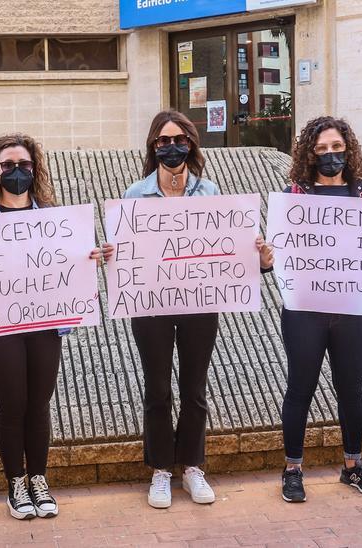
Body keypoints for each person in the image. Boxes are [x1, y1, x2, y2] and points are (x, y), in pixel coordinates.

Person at [0, 134, 109, 520]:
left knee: (39, 404)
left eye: (23, 165)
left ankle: (39, 480)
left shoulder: (54, 218)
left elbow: (73, 261)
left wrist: (89, 256)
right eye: (7, 165)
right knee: (12, 405)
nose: (16, 172)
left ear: (35, 169)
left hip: (46, 325)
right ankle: (16, 483)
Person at [118, 111, 272, 509]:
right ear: (154, 147)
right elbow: (130, 249)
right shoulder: (136, 193)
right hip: (151, 304)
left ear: (191, 144)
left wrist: (253, 251)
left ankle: (192, 466)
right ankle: (160, 470)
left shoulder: (210, 191)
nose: (171, 147)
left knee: (194, 388)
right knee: (157, 389)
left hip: (200, 302)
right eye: (163, 141)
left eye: (179, 139)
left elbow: (224, 244)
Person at [268, 116, 362, 502]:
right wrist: (267, 256)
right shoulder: (293, 198)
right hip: (305, 309)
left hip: (353, 308)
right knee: (299, 388)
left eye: (337, 148)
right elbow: (276, 257)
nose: (330, 155)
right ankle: (292, 469)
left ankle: (353, 466)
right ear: (309, 153)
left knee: (351, 388)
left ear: (348, 150)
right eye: (322, 149)